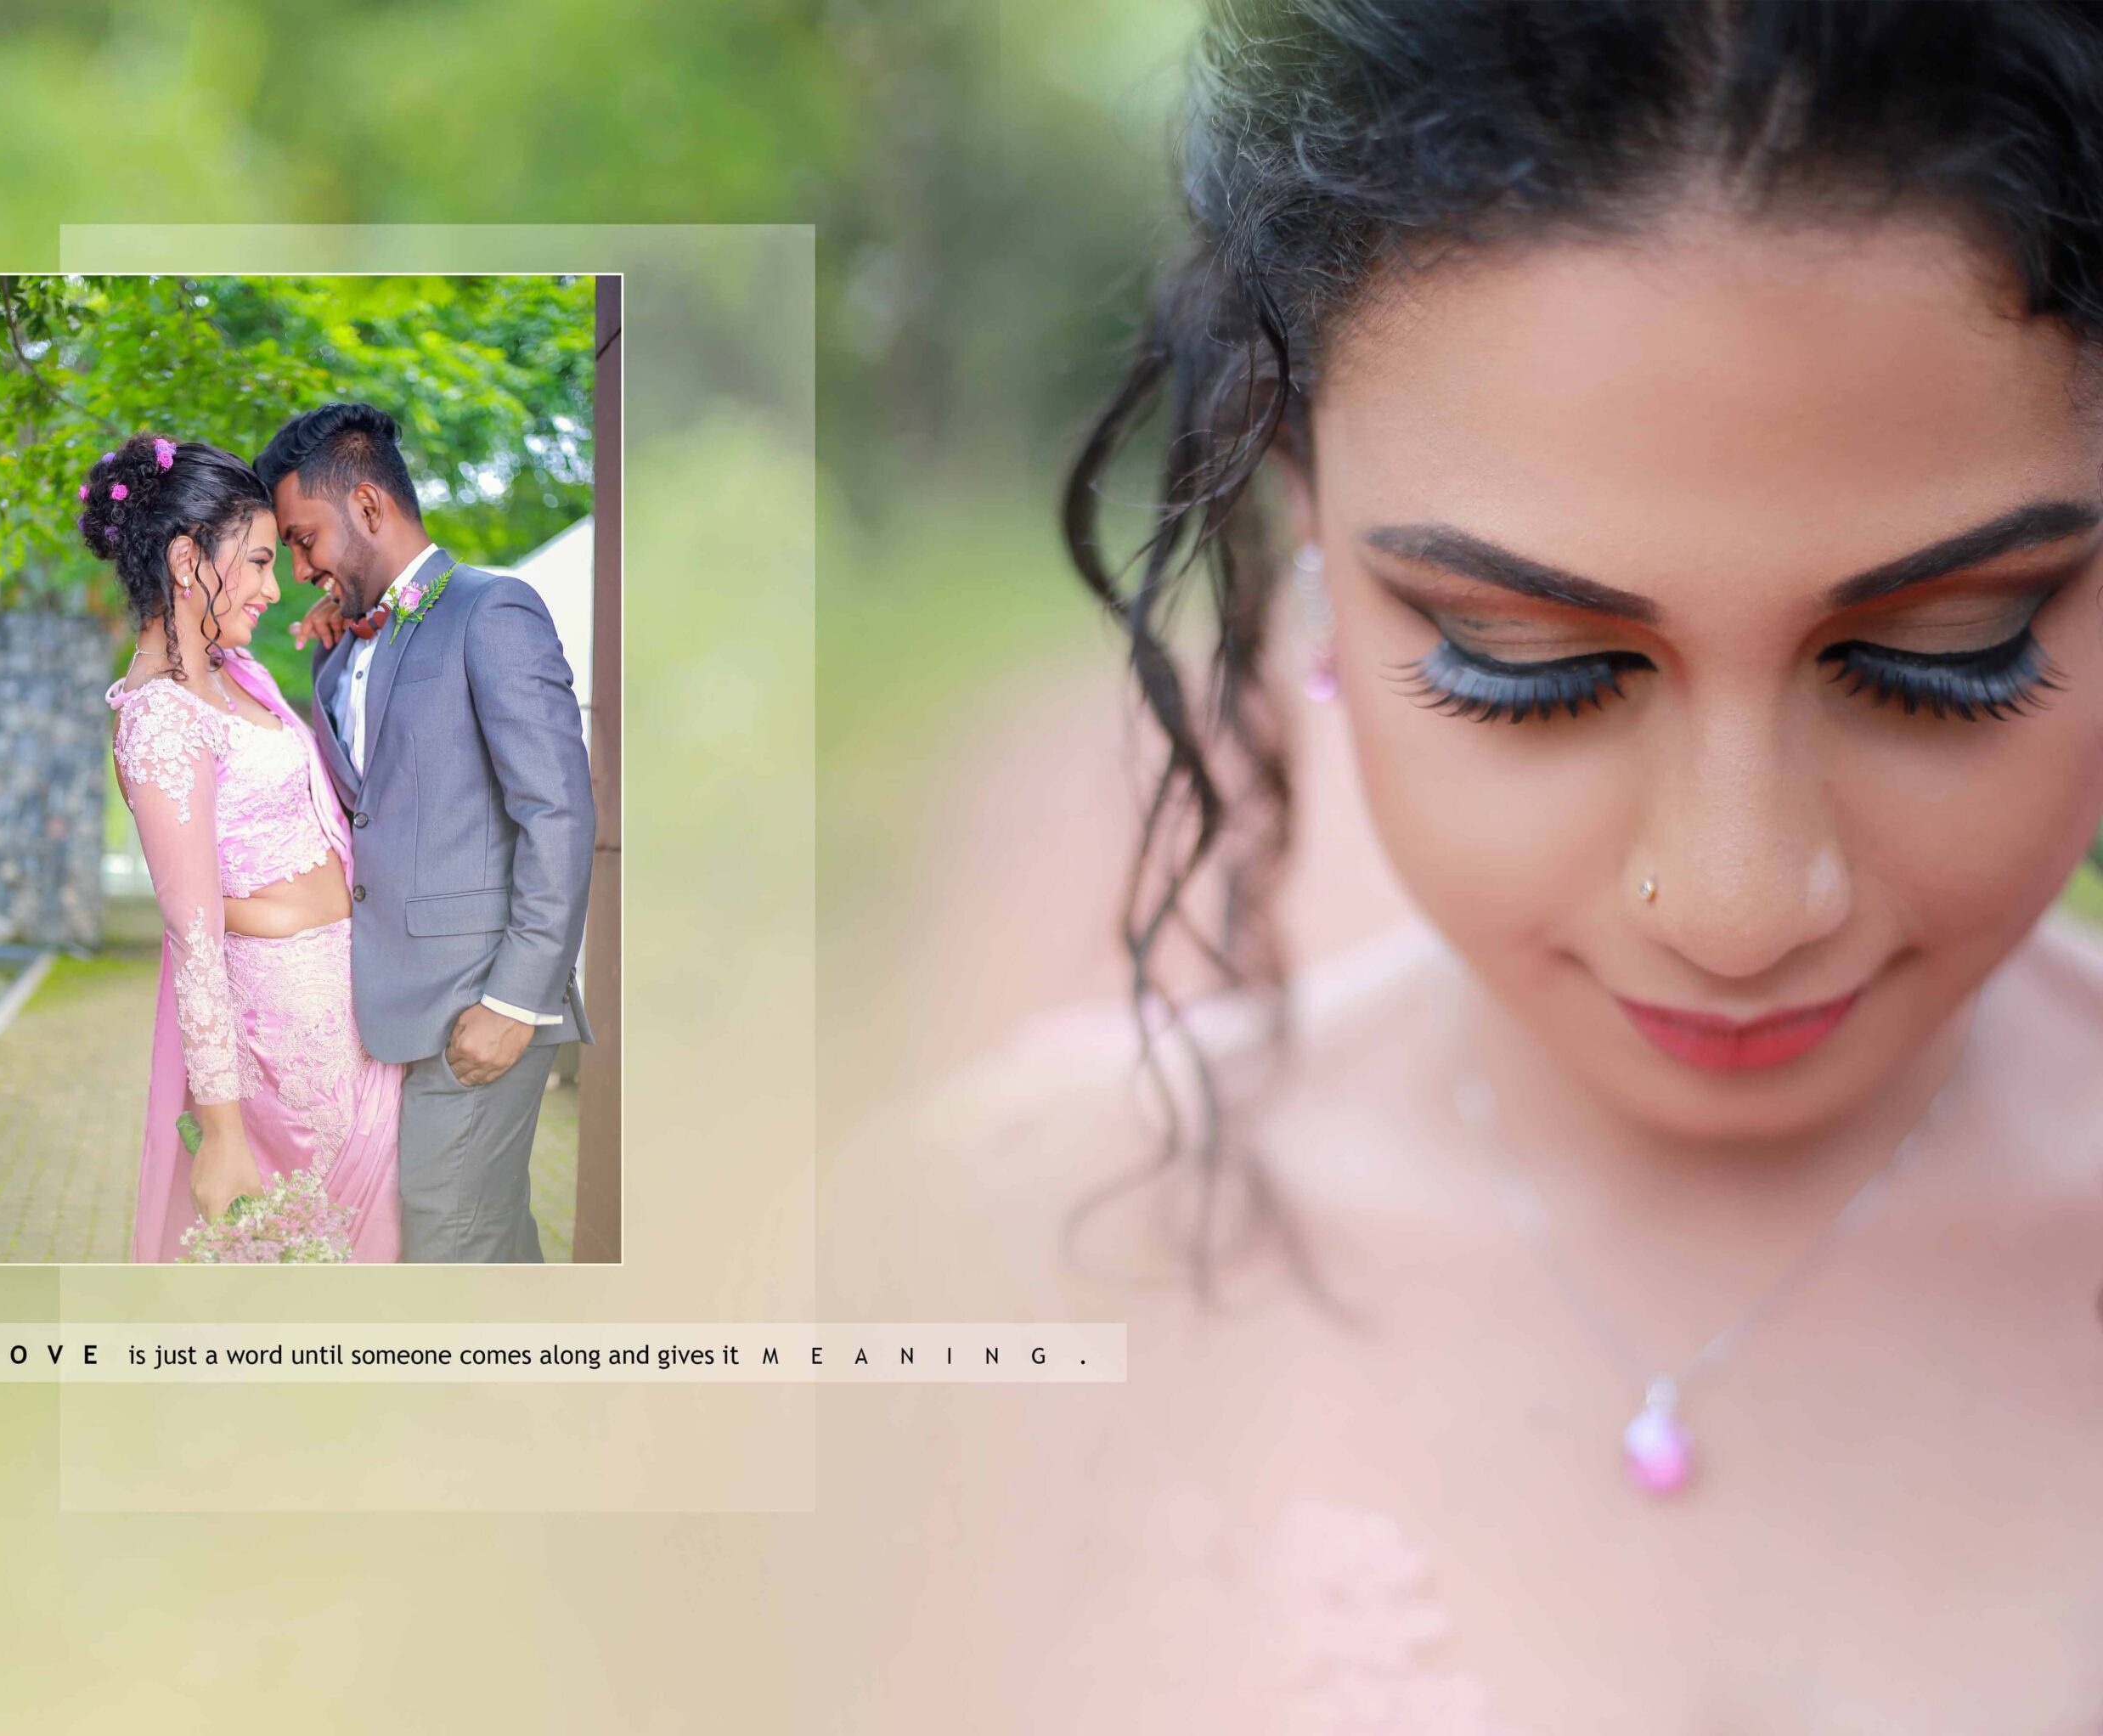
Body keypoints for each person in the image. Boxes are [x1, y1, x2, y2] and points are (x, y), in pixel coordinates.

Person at [805, 0, 2103, 1724]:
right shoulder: (990, 1261)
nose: (1733, 904)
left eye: (1952, 647)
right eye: (1524, 662)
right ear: (1304, 531)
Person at [256, 402, 595, 1264]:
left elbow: (557, 811)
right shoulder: (337, 653)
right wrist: (331, 663)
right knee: (485, 1235)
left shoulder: (494, 610)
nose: (298, 568)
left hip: (481, 1005)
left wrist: (517, 1001)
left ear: (368, 507)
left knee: (447, 1238)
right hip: (381, 1015)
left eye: (303, 539)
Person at [93, 434, 402, 1263]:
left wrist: (348, 636)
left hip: (356, 1003)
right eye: (260, 561)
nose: (275, 585)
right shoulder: (160, 716)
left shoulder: (235, 675)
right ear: (189, 559)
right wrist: (222, 1131)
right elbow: (192, 938)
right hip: (288, 1042)